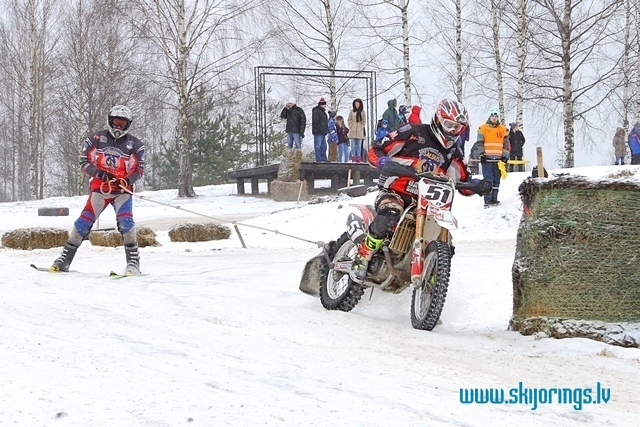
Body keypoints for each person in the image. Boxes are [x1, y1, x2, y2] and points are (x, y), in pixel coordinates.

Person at [349, 99, 474, 284]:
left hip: (428, 203)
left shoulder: (454, 152)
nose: (452, 131)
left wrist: (477, 184)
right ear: (438, 120)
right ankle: (363, 255)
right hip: (396, 191)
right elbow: (376, 148)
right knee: (391, 211)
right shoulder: (413, 132)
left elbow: (464, 179)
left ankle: (433, 281)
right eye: (449, 125)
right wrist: (383, 161)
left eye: (458, 128)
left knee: (446, 242)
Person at [51, 105, 145, 275]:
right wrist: (99, 173)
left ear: (128, 124)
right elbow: (83, 162)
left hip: (122, 191)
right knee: (83, 222)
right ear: (110, 121)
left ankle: (133, 262)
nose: (118, 126)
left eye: (122, 123)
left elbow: (139, 169)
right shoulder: (95, 138)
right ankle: (65, 259)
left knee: (126, 222)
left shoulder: (136, 145)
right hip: (100, 189)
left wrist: (126, 180)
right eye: (116, 122)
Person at [476, 108, 510, 208]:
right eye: (492, 116)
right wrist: (482, 154)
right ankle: (487, 200)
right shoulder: (483, 128)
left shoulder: (503, 129)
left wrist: (505, 156)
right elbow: (479, 143)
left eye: (496, 116)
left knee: (496, 180)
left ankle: (494, 198)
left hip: (499, 160)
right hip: (487, 159)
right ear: (489, 117)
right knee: (488, 180)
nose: (494, 118)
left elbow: (506, 144)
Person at [347, 98, 366, 163]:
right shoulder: (351, 111)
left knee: (359, 146)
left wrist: (361, 126)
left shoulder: (363, 112)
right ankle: (353, 157)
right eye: (355, 104)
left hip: (359, 131)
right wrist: (351, 126)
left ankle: (358, 157)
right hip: (352, 131)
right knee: (353, 146)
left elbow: (364, 121)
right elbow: (349, 119)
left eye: (358, 104)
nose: (357, 105)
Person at [311, 97, 329, 162]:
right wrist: (319, 129)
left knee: (324, 146)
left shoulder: (323, 113)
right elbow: (316, 121)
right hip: (318, 132)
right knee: (318, 146)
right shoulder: (317, 111)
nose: (325, 106)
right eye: (324, 104)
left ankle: (323, 158)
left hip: (323, 132)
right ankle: (319, 159)